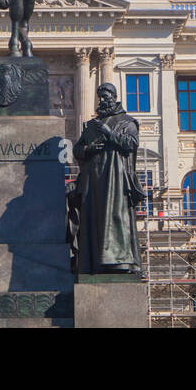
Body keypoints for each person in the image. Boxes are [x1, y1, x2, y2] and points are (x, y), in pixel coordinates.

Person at [70, 83, 143, 274]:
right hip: (94, 181)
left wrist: (110, 134)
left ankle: (120, 261)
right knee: (94, 221)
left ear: (114, 97)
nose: (102, 100)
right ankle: (93, 263)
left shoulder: (127, 122)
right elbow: (77, 149)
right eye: (99, 97)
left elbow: (131, 144)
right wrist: (89, 149)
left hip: (115, 181)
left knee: (116, 218)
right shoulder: (92, 125)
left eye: (105, 96)